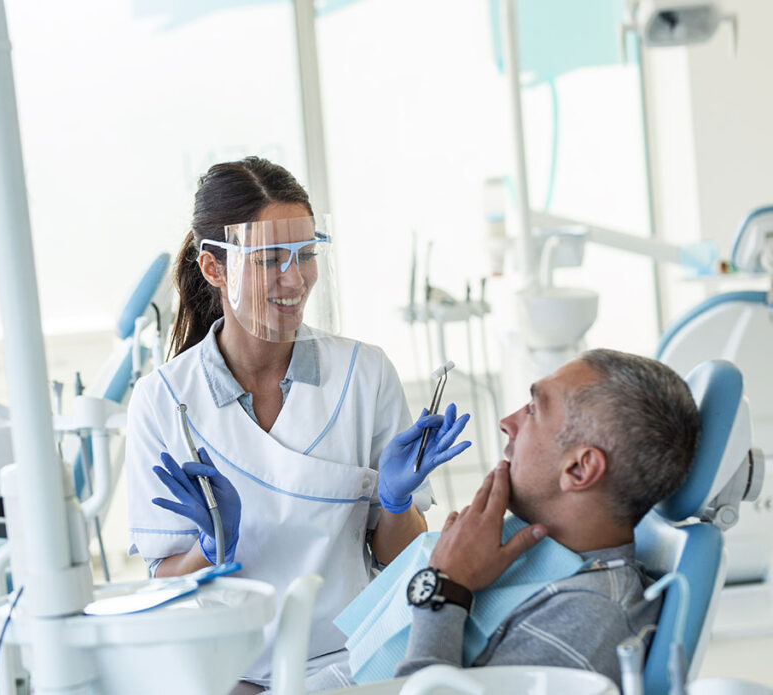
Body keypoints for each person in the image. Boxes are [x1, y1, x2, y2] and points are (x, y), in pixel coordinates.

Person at [124, 156, 471, 687]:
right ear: (214, 268)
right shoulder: (162, 400)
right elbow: (162, 586)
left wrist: (397, 503)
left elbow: (398, 558)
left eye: (305, 254)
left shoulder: (364, 373)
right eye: (268, 259)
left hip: (351, 664)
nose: (294, 278)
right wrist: (209, 550)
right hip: (230, 671)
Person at [392, 348, 701, 686]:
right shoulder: (532, 559)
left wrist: (444, 588)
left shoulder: (586, 621)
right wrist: (393, 503)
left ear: (580, 469)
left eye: (533, 410)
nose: (506, 422)